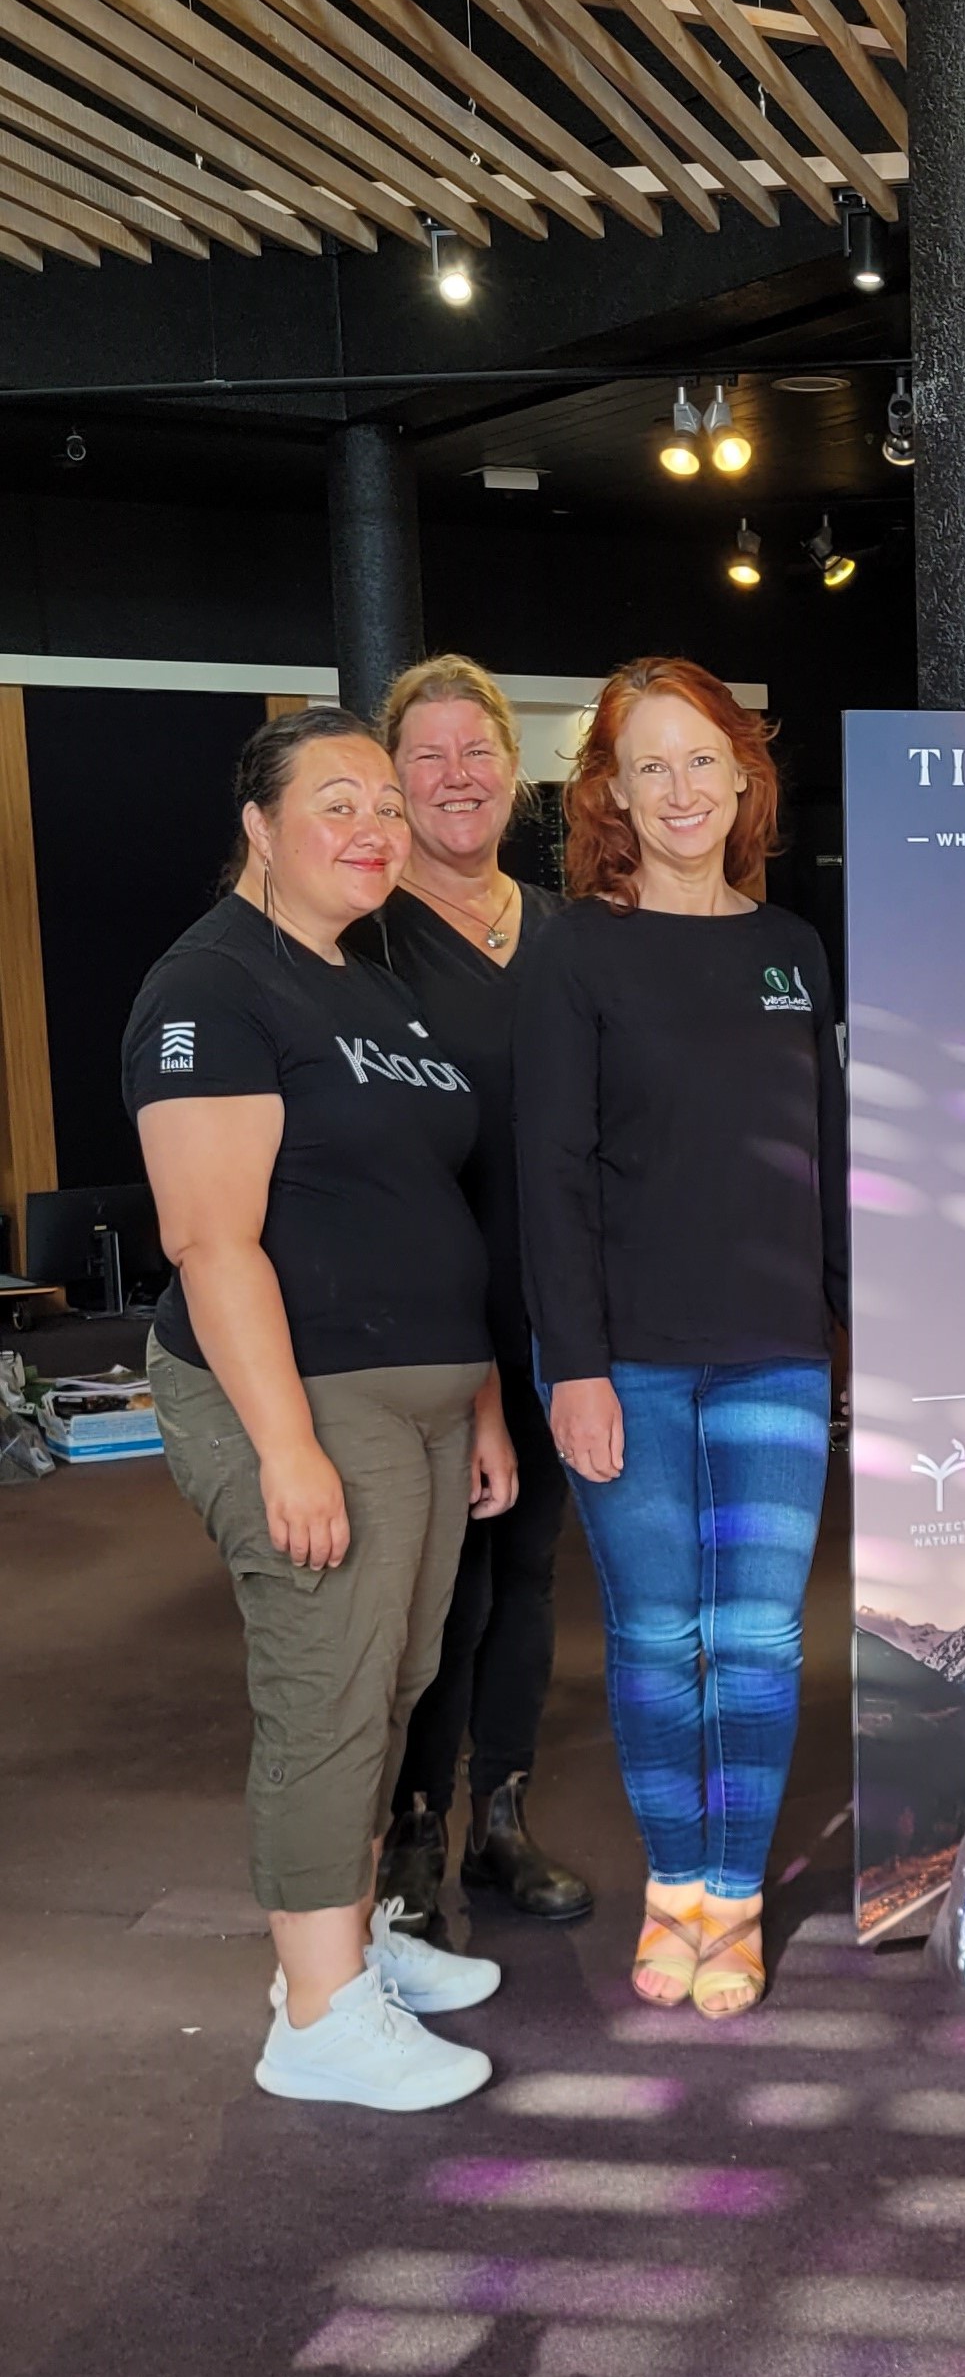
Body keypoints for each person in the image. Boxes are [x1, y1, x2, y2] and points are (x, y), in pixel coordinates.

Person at [125, 707, 516, 2110]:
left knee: (394, 1681)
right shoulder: (212, 987)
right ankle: (316, 2013)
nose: (372, 828)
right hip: (298, 1395)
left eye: (386, 807)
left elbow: (415, 1205)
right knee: (330, 1697)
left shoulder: (363, 976)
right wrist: (285, 1446)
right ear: (259, 823)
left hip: (412, 1395)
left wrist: (473, 1401)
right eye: (336, 803)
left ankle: (352, 1941)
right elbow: (210, 1239)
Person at [516, 656, 846, 2019]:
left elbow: (821, 1155)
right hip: (628, 1357)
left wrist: (849, 1326)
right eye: (648, 764)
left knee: (759, 1636)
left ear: (743, 775)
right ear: (607, 790)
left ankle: (736, 1893)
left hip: (775, 1346)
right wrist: (576, 1362)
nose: (679, 788)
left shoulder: (790, 947)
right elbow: (553, 1174)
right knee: (659, 1637)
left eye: (701, 758)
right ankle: (675, 1886)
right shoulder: (574, 948)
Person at [359, 657, 590, 1936]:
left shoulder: (569, 933)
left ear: (515, 768)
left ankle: (501, 1820)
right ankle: (412, 1833)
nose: (456, 777)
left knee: (529, 1573)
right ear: (395, 784)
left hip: (553, 1320)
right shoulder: (365, 943)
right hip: (427, 1330)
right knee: (439, 1587)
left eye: (476, 751)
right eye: (427, 757)